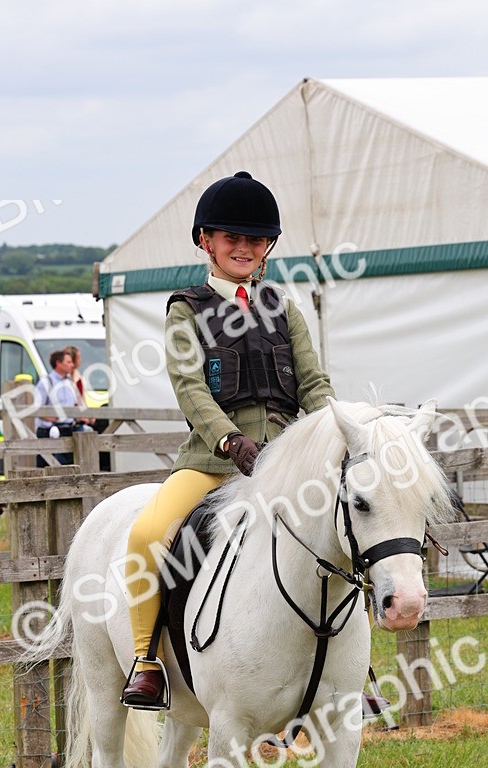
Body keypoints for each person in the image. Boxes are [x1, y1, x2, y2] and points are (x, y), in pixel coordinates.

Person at [121, 170, 336, 708]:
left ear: (268, 247)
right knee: (148, 532)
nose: (243, 248)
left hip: (285, 457)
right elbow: (191, 390)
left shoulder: (283, 307)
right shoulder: (185, 310)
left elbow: (312, 382)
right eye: (231, 238)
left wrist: (337, 429)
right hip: (213, 461)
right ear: (206, 241)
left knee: (346, 523)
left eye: (255, 240)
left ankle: (349, 664)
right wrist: (231, 441)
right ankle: (147, 661)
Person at [36, 348, 94, 466]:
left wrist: (81, 417)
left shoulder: (70, 382)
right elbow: (36, 407)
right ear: (58, 363)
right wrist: (50, 418)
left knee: (70, 467)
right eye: (68, 362)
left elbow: (76, 404)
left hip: (68, 429)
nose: (72, 365)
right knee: (50, 468)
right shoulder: (46, 382)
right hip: (50, 432)